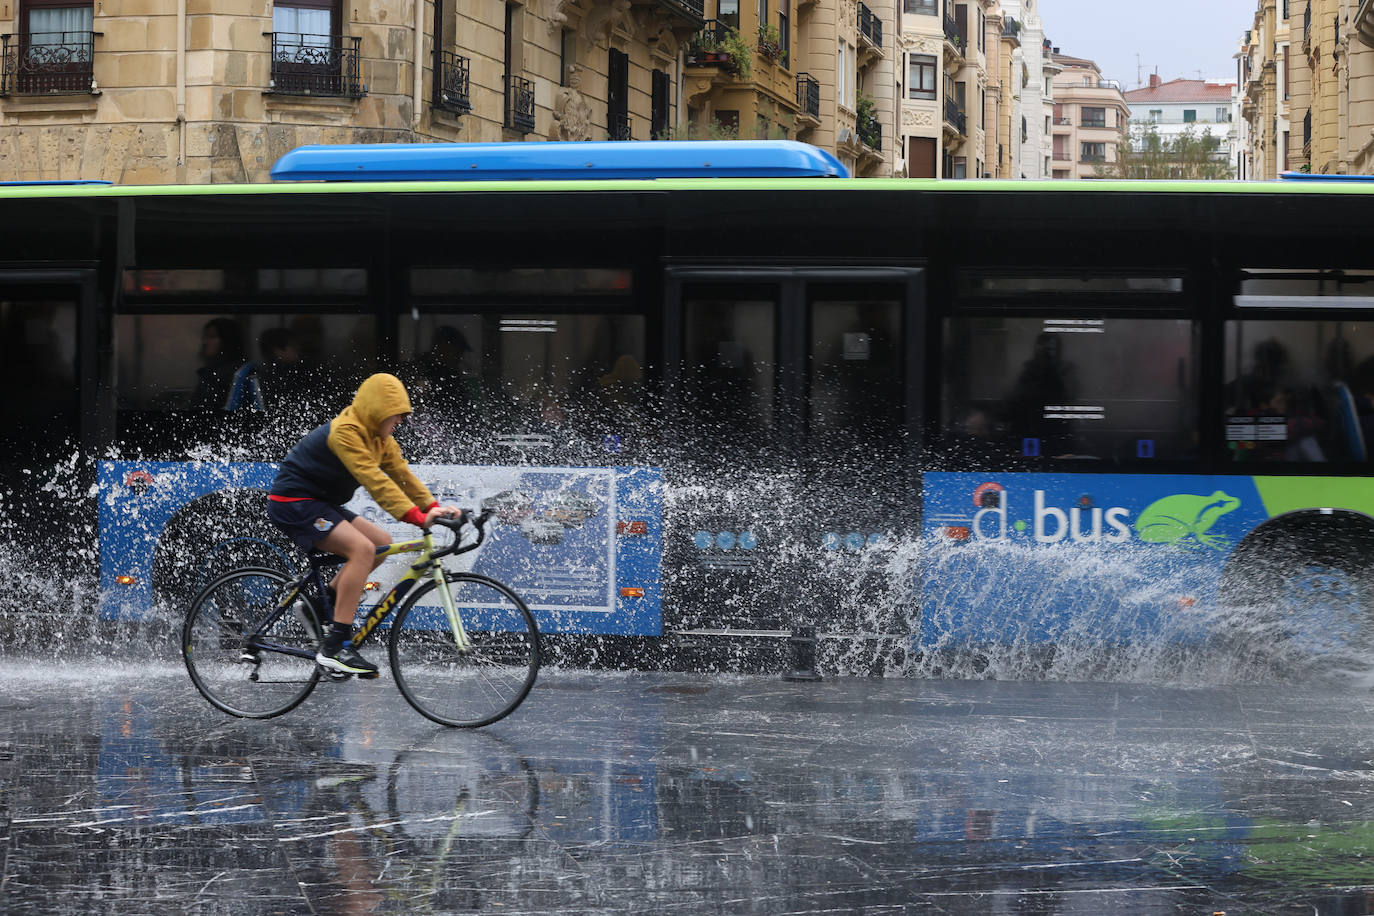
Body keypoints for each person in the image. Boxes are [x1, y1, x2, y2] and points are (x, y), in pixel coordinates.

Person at [266, 373, 461, 676]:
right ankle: (335, 647)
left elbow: (403, 477)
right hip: (293, 501)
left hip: (320, 502)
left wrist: (434, 507)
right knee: (362, 549)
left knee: (381, 544)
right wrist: (416, 517)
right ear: (377, 410)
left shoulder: (381, 439)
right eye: (395, 415)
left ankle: (317, 607)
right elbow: (375, 481)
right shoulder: (346, 432)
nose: (399, 421)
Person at [192, 317, 247, 409]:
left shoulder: (224, 375)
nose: (205, 342)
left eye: (212, 337)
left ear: (228, 340)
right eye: (205, 337)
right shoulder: (214, 371)